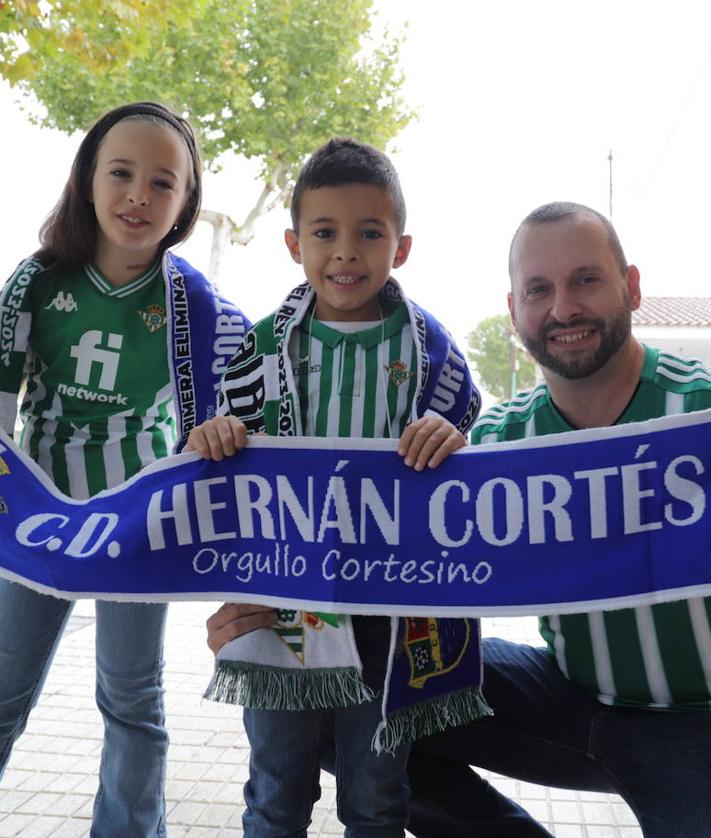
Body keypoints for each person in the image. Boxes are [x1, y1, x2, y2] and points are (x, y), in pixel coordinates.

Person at [207, 202, 711, 838]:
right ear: (514, 311)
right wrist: (256, 612)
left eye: (586, 280)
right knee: (341, 688)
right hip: (564, 696)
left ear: (631, 287)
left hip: (695, 721)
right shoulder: (496, 442)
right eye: (539, 289)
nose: (563, 309)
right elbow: (378, 540)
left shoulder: (702, 412)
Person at [187, 137, 483, 838]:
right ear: (294, 243)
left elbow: (464, 462)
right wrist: (215, 436)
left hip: (392, 616)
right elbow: (218, 473)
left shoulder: (432, 352)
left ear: (400, 248)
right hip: (279, 607)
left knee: (378, 799)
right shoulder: (257, 350)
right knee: (275, 791)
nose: (345, 251)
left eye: (368, 233)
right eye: (324, 232)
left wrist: (452, 440)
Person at [0, 101, 250, 837]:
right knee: (4, 690)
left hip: (138, 526)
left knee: (133, 701)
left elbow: (258, 391)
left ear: (185, 204)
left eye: (162, 182)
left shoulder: (195, 303)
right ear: (85, 181)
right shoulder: (35, 283)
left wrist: (232, 427)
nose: (138, 195)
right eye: (121, 173)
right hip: (38, 523)